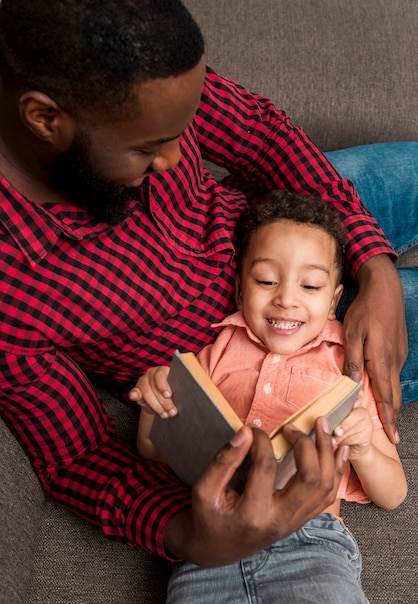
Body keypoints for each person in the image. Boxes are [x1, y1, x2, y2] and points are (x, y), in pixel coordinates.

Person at [0, 0, 415, 571]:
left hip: (291, 225)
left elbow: (261, 136)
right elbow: (78, 459)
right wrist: (189, 535)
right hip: (288, 352)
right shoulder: (11, 287)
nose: (175, 160)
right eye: (148, 148)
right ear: (45, 120)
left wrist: (373, 265)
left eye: (178, 135)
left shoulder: (142, 74)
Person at [133, 189, 407, 604]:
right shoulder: (216, 352)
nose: (285, 298)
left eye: (310, 285)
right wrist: (154, 398)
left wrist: (363, 448)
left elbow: (393, 494)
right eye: (265, 281)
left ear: (334, 300)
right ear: (241, 290)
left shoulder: (345, 373)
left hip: (312, 547)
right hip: (210, 548)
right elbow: (152, 449)